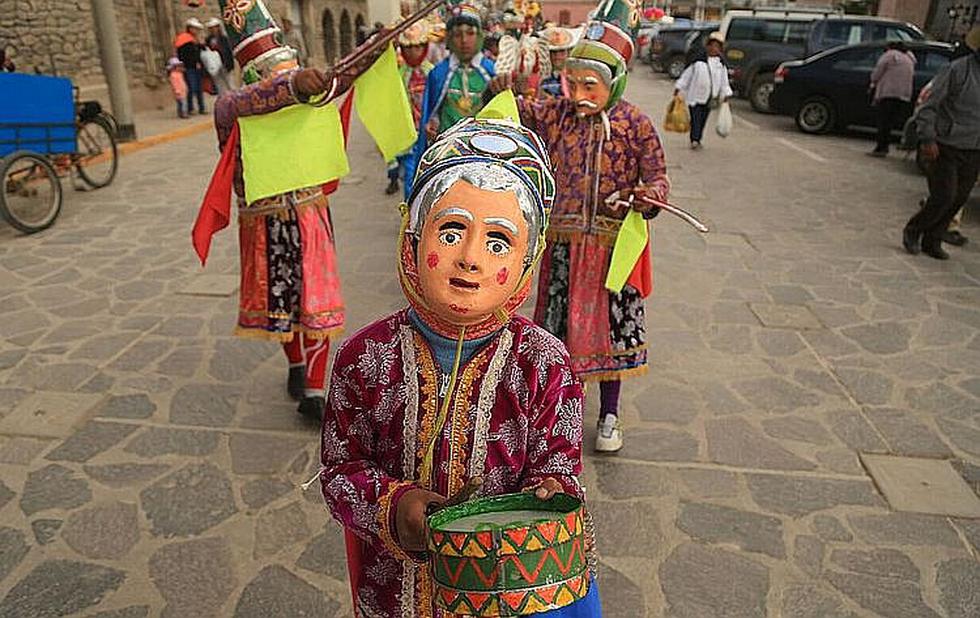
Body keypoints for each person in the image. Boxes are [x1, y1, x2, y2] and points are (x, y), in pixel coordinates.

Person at [319, 117, 600, 617]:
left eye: (498, 243)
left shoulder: (545, 365)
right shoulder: (363, 358)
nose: (470, 259)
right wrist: (397, 506)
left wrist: (550, 497)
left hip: (504, 597)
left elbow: (561, 472)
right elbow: (340, 471)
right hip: (395, 595)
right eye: (451, 232)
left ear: (526, 263)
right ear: (412, 239)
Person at [492, 0, 671, 453]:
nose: (577, 93)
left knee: (610, 336)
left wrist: (651, 196)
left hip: (612, 252)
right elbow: (519, 109)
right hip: (561, 248)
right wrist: (503, 88)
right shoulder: (556, 115)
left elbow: (657, 175)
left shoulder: (635, 125)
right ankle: (557, 414)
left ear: (613, 85)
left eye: (589, 85)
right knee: (555, 336)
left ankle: (609, 413)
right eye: (572, 82)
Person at [196, 0, 381, 419]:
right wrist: (295, 85)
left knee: (316, 302)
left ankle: (313, 389)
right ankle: (297, 368)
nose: (286, 77)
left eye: (289, 68)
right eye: (276, 70)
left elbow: (338, 80)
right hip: (266, 222)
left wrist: (370, 54)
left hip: (309, 214)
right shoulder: (231, 106)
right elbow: (260, 98)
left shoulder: (305, 96)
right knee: (283, 305)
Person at [903, 24, 980, 261]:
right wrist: (927, 138)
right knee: (944, 195)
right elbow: (929, 106)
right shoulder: (956, 70)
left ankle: (933, 240)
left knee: (960, 197)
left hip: (974, 147)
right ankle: (913, 230)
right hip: (945, 144)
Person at [405, 2, 495, 196]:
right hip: (447, 153)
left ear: (479, 36)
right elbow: (431, 113)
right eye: (457, 34)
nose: (464, 40)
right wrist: (431, 125)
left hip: (484, 153)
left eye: (470, 33)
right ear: (449, 39)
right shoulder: (438, 74)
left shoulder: (493, 72)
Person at [386, 21, 434, 196]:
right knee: (410, 179)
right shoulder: (398, 75)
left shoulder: (433, 73)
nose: (413, 52)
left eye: (418, 47)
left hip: (430, 136)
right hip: (408, 136)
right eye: (408, 48)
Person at [674, 31, 732, 149]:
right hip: (695, 97)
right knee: (695, 118)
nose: (714, 49)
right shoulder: (698, 61)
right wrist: (679, 87)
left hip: (709, 98)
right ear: (707, 46)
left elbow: (723, 82)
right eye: (712, 46)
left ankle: (698, 137)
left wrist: (725, 94)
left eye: (717, 47)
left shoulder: (721, 65)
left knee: (703, 119)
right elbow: (687, 76)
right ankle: (694, 139)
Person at [869, 41, 915, 157]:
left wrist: (873, 82)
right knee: (890, 122)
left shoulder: (889, 56)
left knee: (883, 121)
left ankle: (881, 148)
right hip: (903, 95)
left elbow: (877, 73)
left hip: (887, 93)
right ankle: (885, 146)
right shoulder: (910, 58)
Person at [175, 18, 207, 115]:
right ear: (190, 28)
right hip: (189, 67)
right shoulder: (184, 40)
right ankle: (190, 108)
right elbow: (185, 55)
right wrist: (193, 62)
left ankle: (201, 107)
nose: (197, 31)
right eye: (195, 28)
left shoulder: (194, 40)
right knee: (191, 88)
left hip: (197, 67)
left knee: (199, 88)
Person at [538, 26, 576, 99]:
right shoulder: (541, 77)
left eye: (562, 52)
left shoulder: (575, 76)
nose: (557, 56)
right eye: (553, 52)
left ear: (568, 53)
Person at [205, 17, 235, 93]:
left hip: (224, 63)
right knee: (219, 84)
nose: (213, 29)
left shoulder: (224, 39)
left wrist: (230, 64)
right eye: (211, 28)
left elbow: (228, 51)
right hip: (215, 64)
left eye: (214, 27)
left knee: (230, 83)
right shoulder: (208, 39)